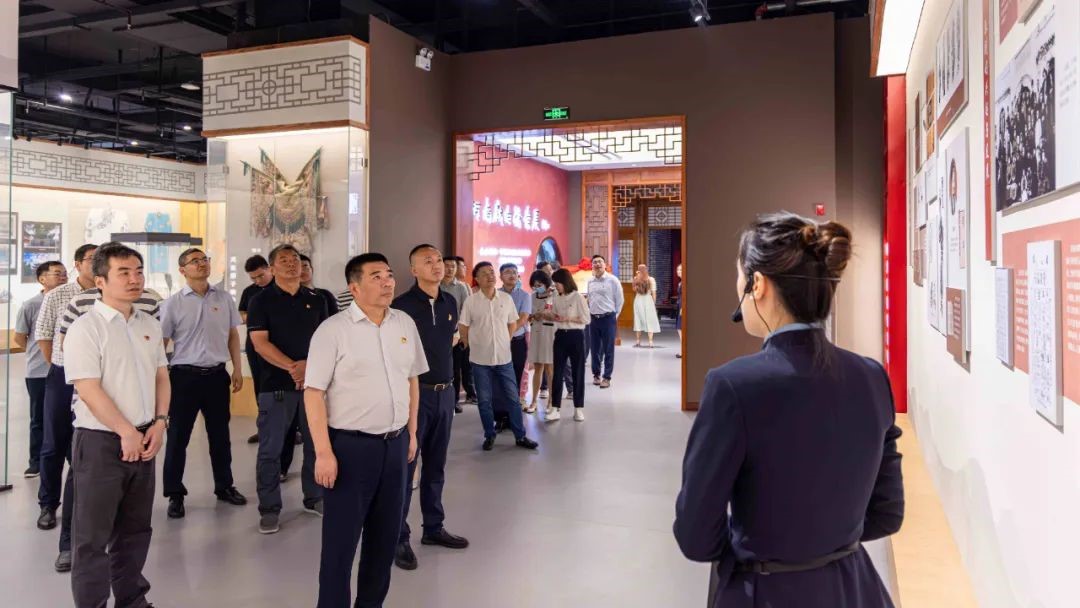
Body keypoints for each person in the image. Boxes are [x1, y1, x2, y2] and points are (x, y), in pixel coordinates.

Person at [674, 213, 903, 608]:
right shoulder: (871, 377)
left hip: (764, 592)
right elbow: (887, 513)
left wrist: (756, 550)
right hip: (854, 588)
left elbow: (696, 536)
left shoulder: (731, 386)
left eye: (739, 278)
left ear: (757, 285)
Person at [305, 253, 426, 608]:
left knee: (384, 541)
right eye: (376, 276)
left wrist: (412, 433)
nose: (387, 281)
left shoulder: (404, 323)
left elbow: (412, 379)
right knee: (340, 547)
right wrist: (323, 452)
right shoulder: (333, 331)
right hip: (350, 449)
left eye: (389, 274)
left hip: (396, 446)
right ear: (354, 287)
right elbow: (313, 393)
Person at [63, 243, 170, 608]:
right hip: (100, 442)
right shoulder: (86, 328)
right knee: (92, 537)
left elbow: (161, 376)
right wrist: (125, 431)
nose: (134, 279)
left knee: (135, 530)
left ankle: (132, 599)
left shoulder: (149, 323)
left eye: (138, 271)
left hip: (145, 437)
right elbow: (88, 388)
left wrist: (160, 423)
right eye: (123, 272)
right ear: (100, 281)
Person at [391, 244, 470, 571]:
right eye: (428, 261)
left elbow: (450, 341)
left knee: (436, 465)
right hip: (415, 396)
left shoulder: (450, 301)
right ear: (414, 270)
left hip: (445, 393)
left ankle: (433, 527)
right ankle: (398, 536)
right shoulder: (401, 306)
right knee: (406, 468)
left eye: (439, 260)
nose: (437, 266)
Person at [159, 248, 247, 519]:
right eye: (194, 261)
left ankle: (224, 486)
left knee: (220, 436)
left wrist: (237, 368)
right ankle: (175, 493)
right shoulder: (172, 304)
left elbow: (232, 335)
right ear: (182, 270)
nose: (202, 264)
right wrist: (159, 382)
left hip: (217, 376)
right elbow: (161, 344)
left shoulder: (224, 298)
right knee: (178, 438)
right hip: (183, 378)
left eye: (204, 260)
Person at [246, 244, 328, 534]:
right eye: (284, 260)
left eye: (295, 259)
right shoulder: (261, 300)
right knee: (271, 450)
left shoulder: (316, 299)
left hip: (314, 386)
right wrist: (294, 367)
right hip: (276, 386)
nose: (293, 263)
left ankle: (314, 497)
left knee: (316, 445)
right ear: (272, 268)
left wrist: (309, 367)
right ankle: (269, 508)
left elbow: (326, 340)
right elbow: (260, 343)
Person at [34, 243, 97, 573]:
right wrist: (59, 366)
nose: (97, 263)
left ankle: (84, 507)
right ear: (78, 264)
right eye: (91, 259)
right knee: (53, 444)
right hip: (62, 374)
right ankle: (48, 504)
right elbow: (44, 336)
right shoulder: (58, 295)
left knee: (83, 446)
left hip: (95, 377)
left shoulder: (106, 294)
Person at [459, 262, 539, 451]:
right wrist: (469, 344)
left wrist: (506, 338)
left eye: (491, 272)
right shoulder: (471, 301)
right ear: (477, 279)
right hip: (480, 360)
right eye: (484, 273)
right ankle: (489, 434)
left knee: (513, 398)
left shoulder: (505, 299)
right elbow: (463, 326)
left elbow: (513, 322)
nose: (490, 276)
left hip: (504, 359)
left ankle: (520, 436)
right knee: (485, 400)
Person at [14, 260, 68, 478]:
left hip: (64, 369)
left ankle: (70, 458)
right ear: (42, 279)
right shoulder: (30, 305)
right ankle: (36, 462)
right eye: (57, 274)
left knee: (66, 417)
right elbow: (19, 337)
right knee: (39, 418)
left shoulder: (71, 301)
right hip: (38, 372)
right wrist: (36, 352)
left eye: (65, 274)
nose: (63, 277)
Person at [544, 269, 589, 422]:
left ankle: (578, 408)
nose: (556, 286)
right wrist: (551, 316)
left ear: (565, 282)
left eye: (557, 283)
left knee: (578, 372)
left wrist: (567, 318)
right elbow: (555, 316)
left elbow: (586, 319)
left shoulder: (578, 297)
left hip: (576, 336)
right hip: (560, 336)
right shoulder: (556, 298)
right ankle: (555, 408)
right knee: (557, 373)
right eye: (555, 283)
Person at [239, 255, 272, 445]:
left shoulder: (280, 287)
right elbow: (243, 314)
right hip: (255, 345)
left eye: (260, 275)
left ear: (269, 269)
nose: (258, 281)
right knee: (260, 386)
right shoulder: (250, 292)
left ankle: (291, 431)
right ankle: (264, 428)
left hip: (279, 345)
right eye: (253, 278)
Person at [442, 256, 474, 412]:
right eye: (447, 265)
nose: (449, 269)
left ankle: (454, 402)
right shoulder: (436, 285)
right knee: (441, 368)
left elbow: (466, 312)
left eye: (452, 266)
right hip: (438, 334)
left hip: (456, 334)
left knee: (455, 369)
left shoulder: (461, 287)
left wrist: (461, 334)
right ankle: (443, 400)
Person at [586, 255, 623, 388]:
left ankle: (607, 377)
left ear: (605, 264)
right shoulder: (590, 281)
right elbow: (589, 299)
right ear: (592, 266)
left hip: (608, 318)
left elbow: (620, 300)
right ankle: (596, 375)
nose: (597, 264)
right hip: (593, 319)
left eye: (600, 262)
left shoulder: (613, 280)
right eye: (594, 262)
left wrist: (614, 316)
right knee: (594, 348)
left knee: (608, 349)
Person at [500, 263, 532, 411]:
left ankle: (518, 399)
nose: (512, 275)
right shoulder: (496, 295)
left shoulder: (524, 295)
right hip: (499, 341)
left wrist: (507, 334)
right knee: (501, 372)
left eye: (514, 272)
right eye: (507, 272)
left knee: (518, 371)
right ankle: (503, 402)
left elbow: (523, 317)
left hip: (517, 341)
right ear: (501, 276)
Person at [526, 270, 555, 414]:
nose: (537, 288)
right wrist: (532, 316)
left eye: (540, 285)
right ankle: (533, 401)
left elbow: (559, 315)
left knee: (550, 369)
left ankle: (551, 401)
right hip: (536, 334)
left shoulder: (554, 296)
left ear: (546, 283)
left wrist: (543, 314)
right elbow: (527, 315)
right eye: (535, 285)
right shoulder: (531, 297)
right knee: (538, 368)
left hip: (550, 334)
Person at [632, 264, 661, 348]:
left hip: (639, 300)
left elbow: (634, 290)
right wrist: (653, 303)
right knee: (648, 319)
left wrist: (636, 279)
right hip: (647, 300)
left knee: (638, 319)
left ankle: (638, 341)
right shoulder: (651, 279)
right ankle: (650, 342)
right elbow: (654, 293)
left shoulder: (637, 278)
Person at [675, 263, 683, 359]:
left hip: (682, 307)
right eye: (678, 270)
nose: (679, 271)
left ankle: (682, 351)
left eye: (681, 270)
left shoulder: (684, 283)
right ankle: (682, 350)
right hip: (679, 305)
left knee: (680, 329)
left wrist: (682, 308)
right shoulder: (680, 282)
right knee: (679, 329)